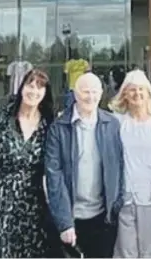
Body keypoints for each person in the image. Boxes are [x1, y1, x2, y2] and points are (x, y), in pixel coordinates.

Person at [0, 69, 61, 258]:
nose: (34, 91)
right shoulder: (1, 121)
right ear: (22, 88)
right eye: (30, 85)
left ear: (45, 93)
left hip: (31, 205)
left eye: (39, 87)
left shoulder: (49, 126)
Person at [45, 72, 125, 258]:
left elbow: (120, 167)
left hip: (103, 218)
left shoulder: (112, 124)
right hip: (72, 219)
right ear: (75, 94)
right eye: (85, 91)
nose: (90, 97)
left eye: (95, 92)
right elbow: (53, 177)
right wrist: (65, 223)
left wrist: (117, 203)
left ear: (101, 94)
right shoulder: (59, 128)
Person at [109, 70, 151, 258]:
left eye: (141, 89)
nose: (137, 94)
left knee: (149, 253)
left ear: (148, 93)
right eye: (132, 90)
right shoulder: (117, 122)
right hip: (125, 198)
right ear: (124, 95)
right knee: (124, 253)